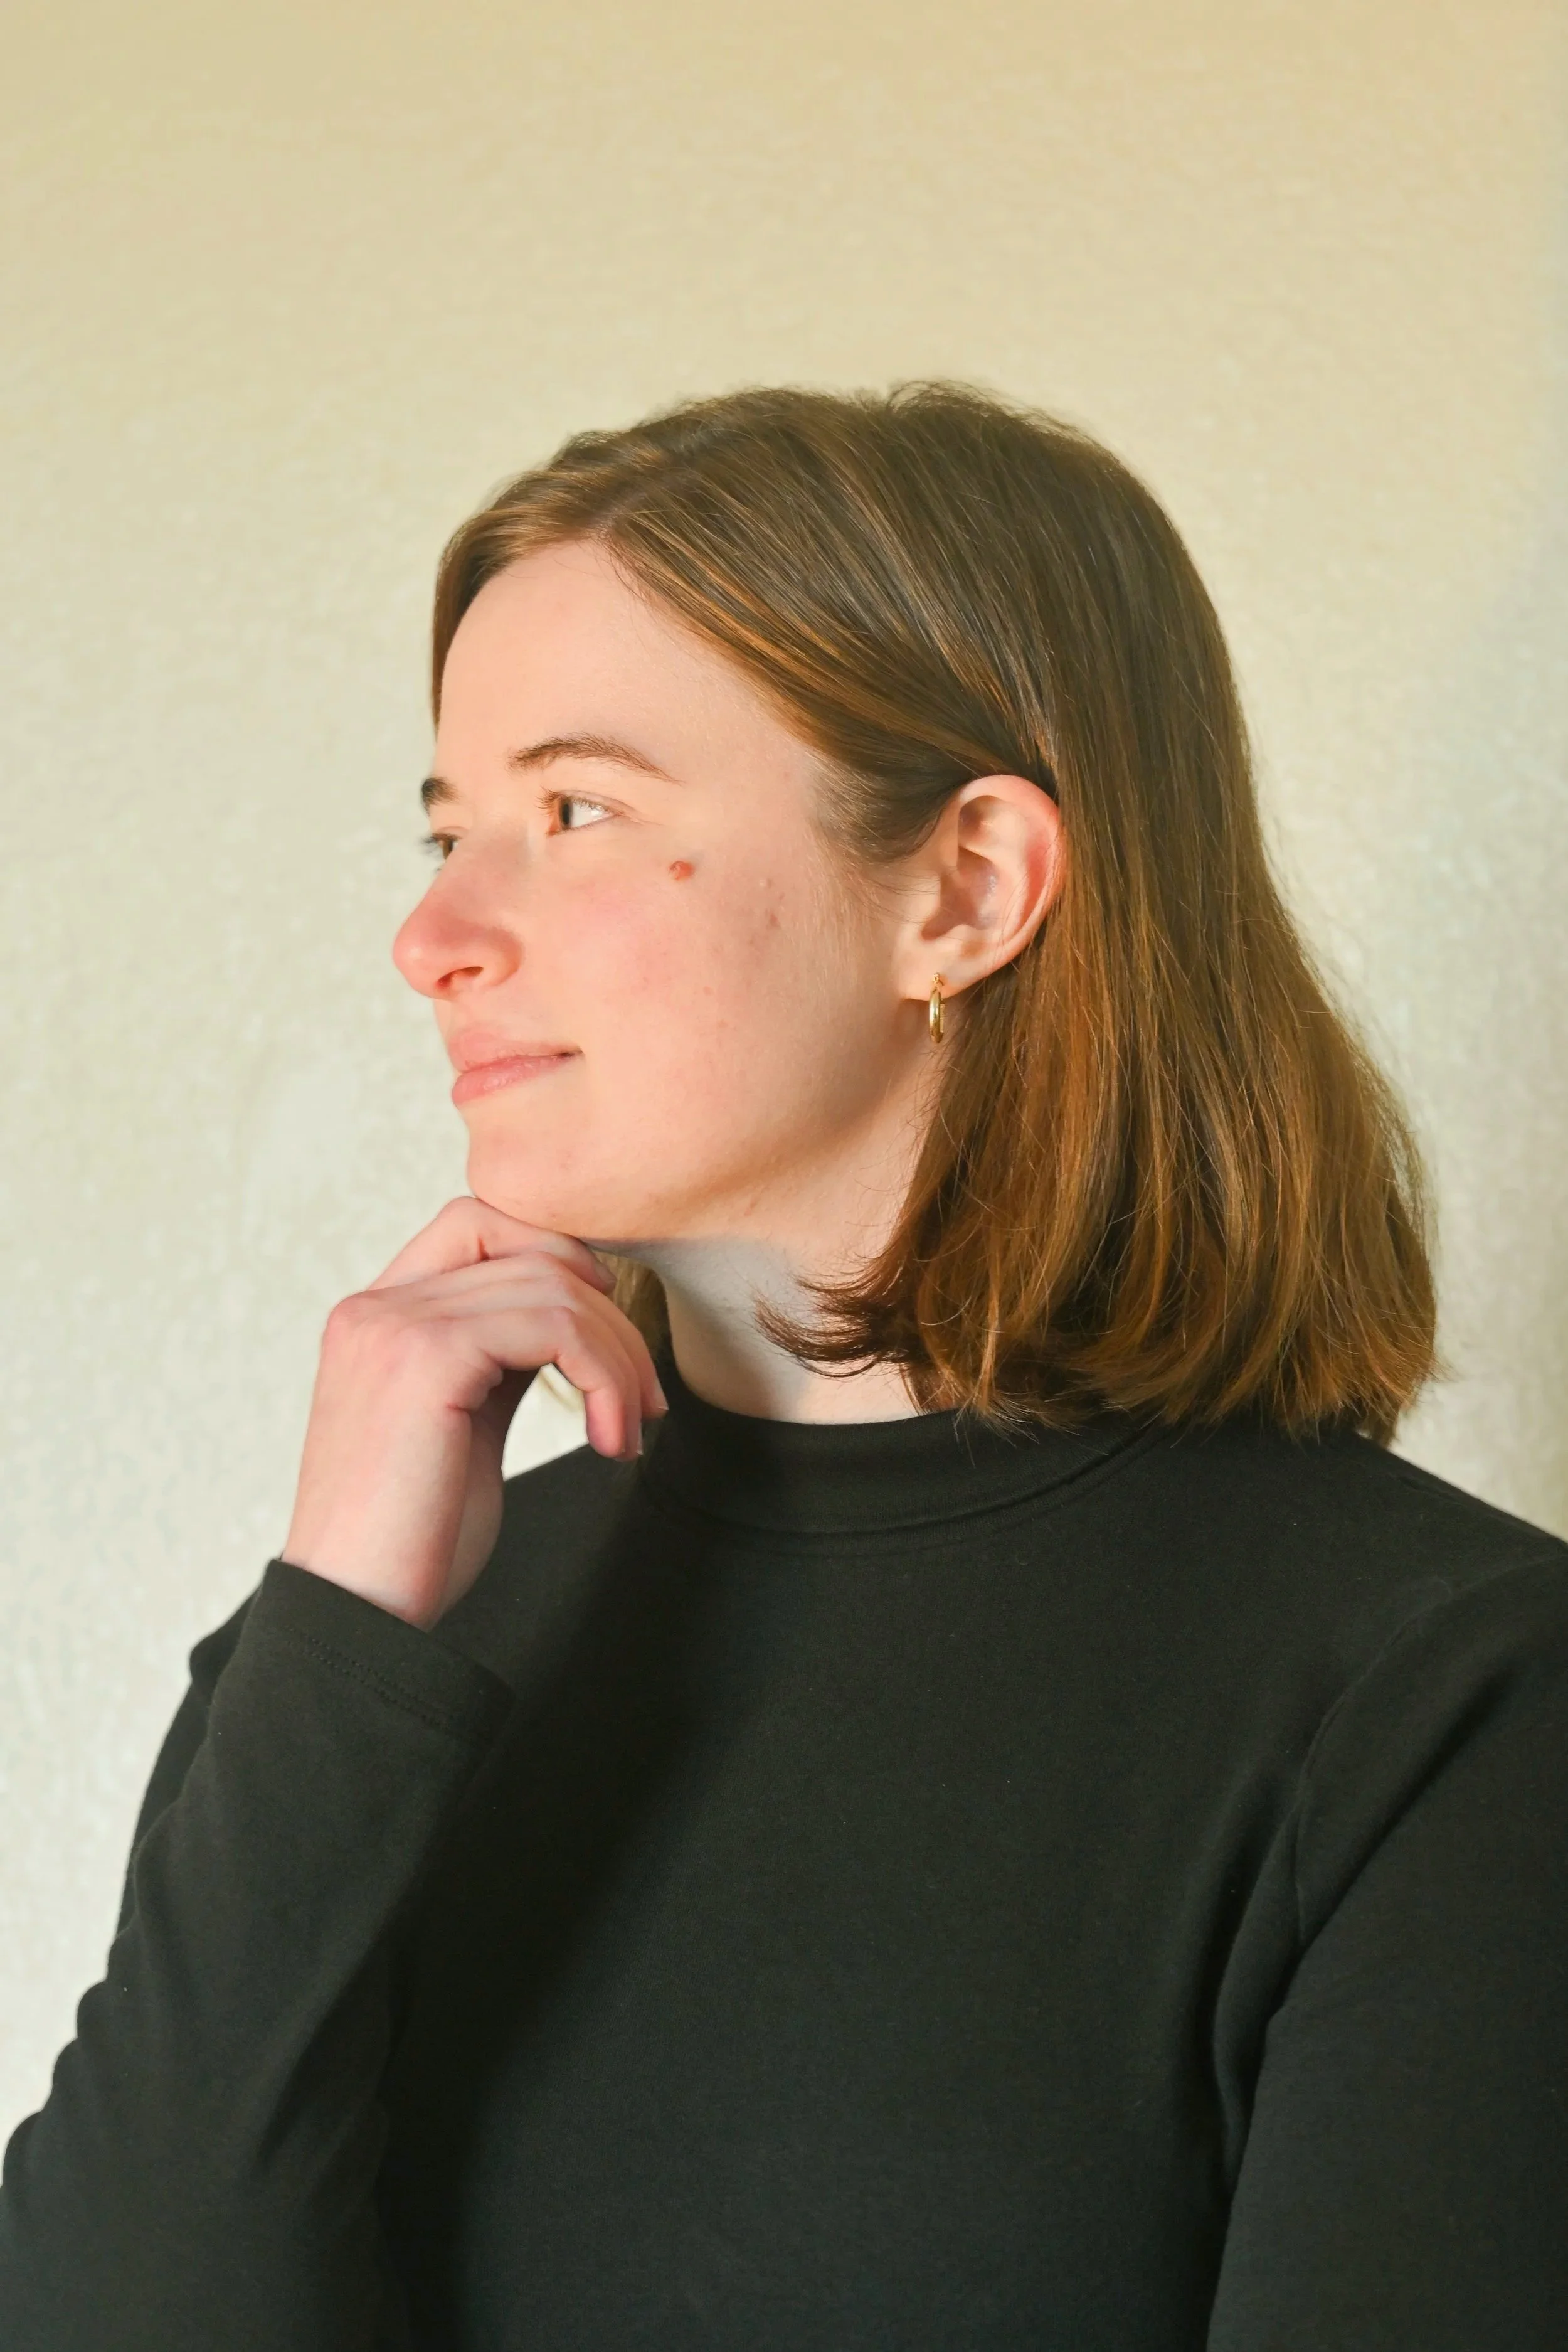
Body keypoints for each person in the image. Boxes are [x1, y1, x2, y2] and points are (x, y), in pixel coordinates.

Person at [2, 383, 1564, 2351]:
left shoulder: (1447, 1699)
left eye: (574, 811)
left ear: (964, 886)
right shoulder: (366, 1654)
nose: (432, 933)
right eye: (446, 827)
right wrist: (328, 1635)